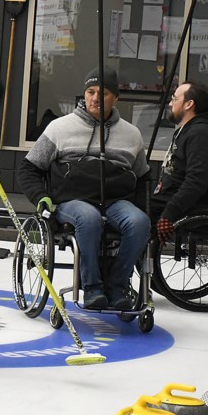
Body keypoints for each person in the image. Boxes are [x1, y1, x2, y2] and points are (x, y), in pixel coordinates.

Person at [18, 66, 152, 311]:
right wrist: (41, 197)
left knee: (140, 222)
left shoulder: (132, 134)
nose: (95, 98)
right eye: (90, 92)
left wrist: (143, 208)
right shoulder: (59, 128)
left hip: (116, 201)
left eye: (103, 93)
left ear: (116, 97)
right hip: (72, 200)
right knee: (89, 218)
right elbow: (28, 169)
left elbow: (143, 177)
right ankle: (92, 287)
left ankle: (118, 285)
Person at [152, 80, 208, 242]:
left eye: (174, 99)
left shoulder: (201, 135)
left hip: (193, 204)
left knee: (131, 210)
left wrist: (169, 214)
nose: (170, 104)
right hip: (172, 195)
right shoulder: (188, 130)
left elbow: (196, 182)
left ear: (189, 104)